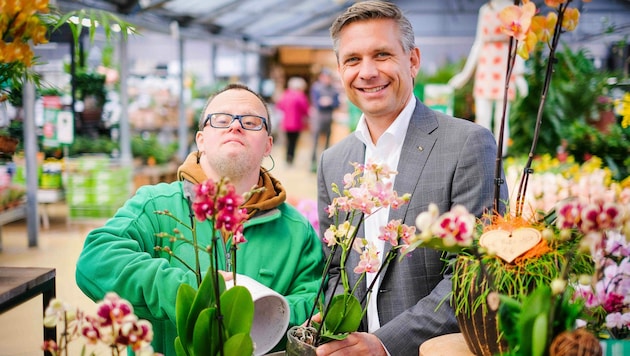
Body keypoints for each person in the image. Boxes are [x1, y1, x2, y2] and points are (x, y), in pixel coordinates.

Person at [316, 1, 508, 355]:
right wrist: (332, 320)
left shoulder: (467, 144)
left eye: (382, 55)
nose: (368, 72)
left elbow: (479, 273)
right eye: (353, 60)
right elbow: (334, 268)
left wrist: (385, 344)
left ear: (413, 60)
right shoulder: (334, 160)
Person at [76, 83, 325, 355]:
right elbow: (95, 259)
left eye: (252, 122)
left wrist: (261, 315)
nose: (235, 127)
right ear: (200, 139)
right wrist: (198, 293)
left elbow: (315, 302)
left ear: (268, 145)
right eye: (221, 120)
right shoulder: (157, 206)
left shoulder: (295, 230)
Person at [448, 0, 528, 157]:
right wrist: (465, 75)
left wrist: (519, 74)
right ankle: (483, 152)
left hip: (505, 65)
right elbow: (478, 42)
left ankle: (500, 157)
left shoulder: (516, 9)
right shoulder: (485, 10)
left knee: (502, 116)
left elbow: (519, 42)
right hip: (486, 65)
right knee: (483, 114)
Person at [309, 68, 340, 172]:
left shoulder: (334, 89)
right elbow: (316, 103)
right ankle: (312, 163)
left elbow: (337, 104)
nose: (327, 79)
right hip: (318, 117)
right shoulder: (316, 88)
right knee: (315, 142)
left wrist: (330, 102)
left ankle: (324, 164)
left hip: (329, 117)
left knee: (327, 142)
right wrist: (322, 103)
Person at [276, 76, 310, 165]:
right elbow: (305, 109)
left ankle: (287, 158)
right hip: (296, 123)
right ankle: (291, 158)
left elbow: (279, 106)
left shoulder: (285, 94)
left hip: (286, 122)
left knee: (287, 141)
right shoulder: (300, 96)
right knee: (293, 142)